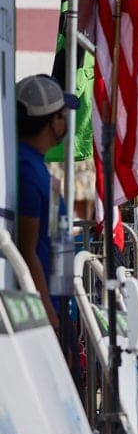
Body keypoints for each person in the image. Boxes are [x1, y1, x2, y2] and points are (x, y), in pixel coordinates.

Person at [16, 75, 78, 330]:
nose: (67, 122)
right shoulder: (27, 169)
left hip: (58, 304)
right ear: (52, 121)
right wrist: (49, 314)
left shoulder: (37, 167)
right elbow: (26, 249)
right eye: (63, 115)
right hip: (48, 311)